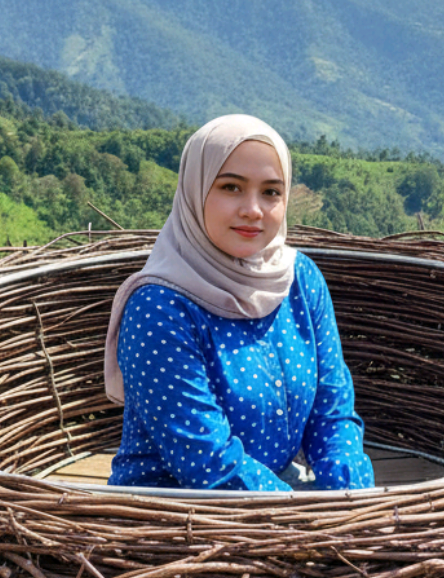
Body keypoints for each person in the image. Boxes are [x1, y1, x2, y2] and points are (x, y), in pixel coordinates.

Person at [104, 114, 375, 492]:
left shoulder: (300, 280)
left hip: (280, 496)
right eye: (231, 187)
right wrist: (308, 517)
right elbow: (207, 462)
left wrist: (349, 494)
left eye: (271, 192)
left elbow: (332, 413)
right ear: (195, 190)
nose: (253, 209)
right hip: (174, 508)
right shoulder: (159, 309)